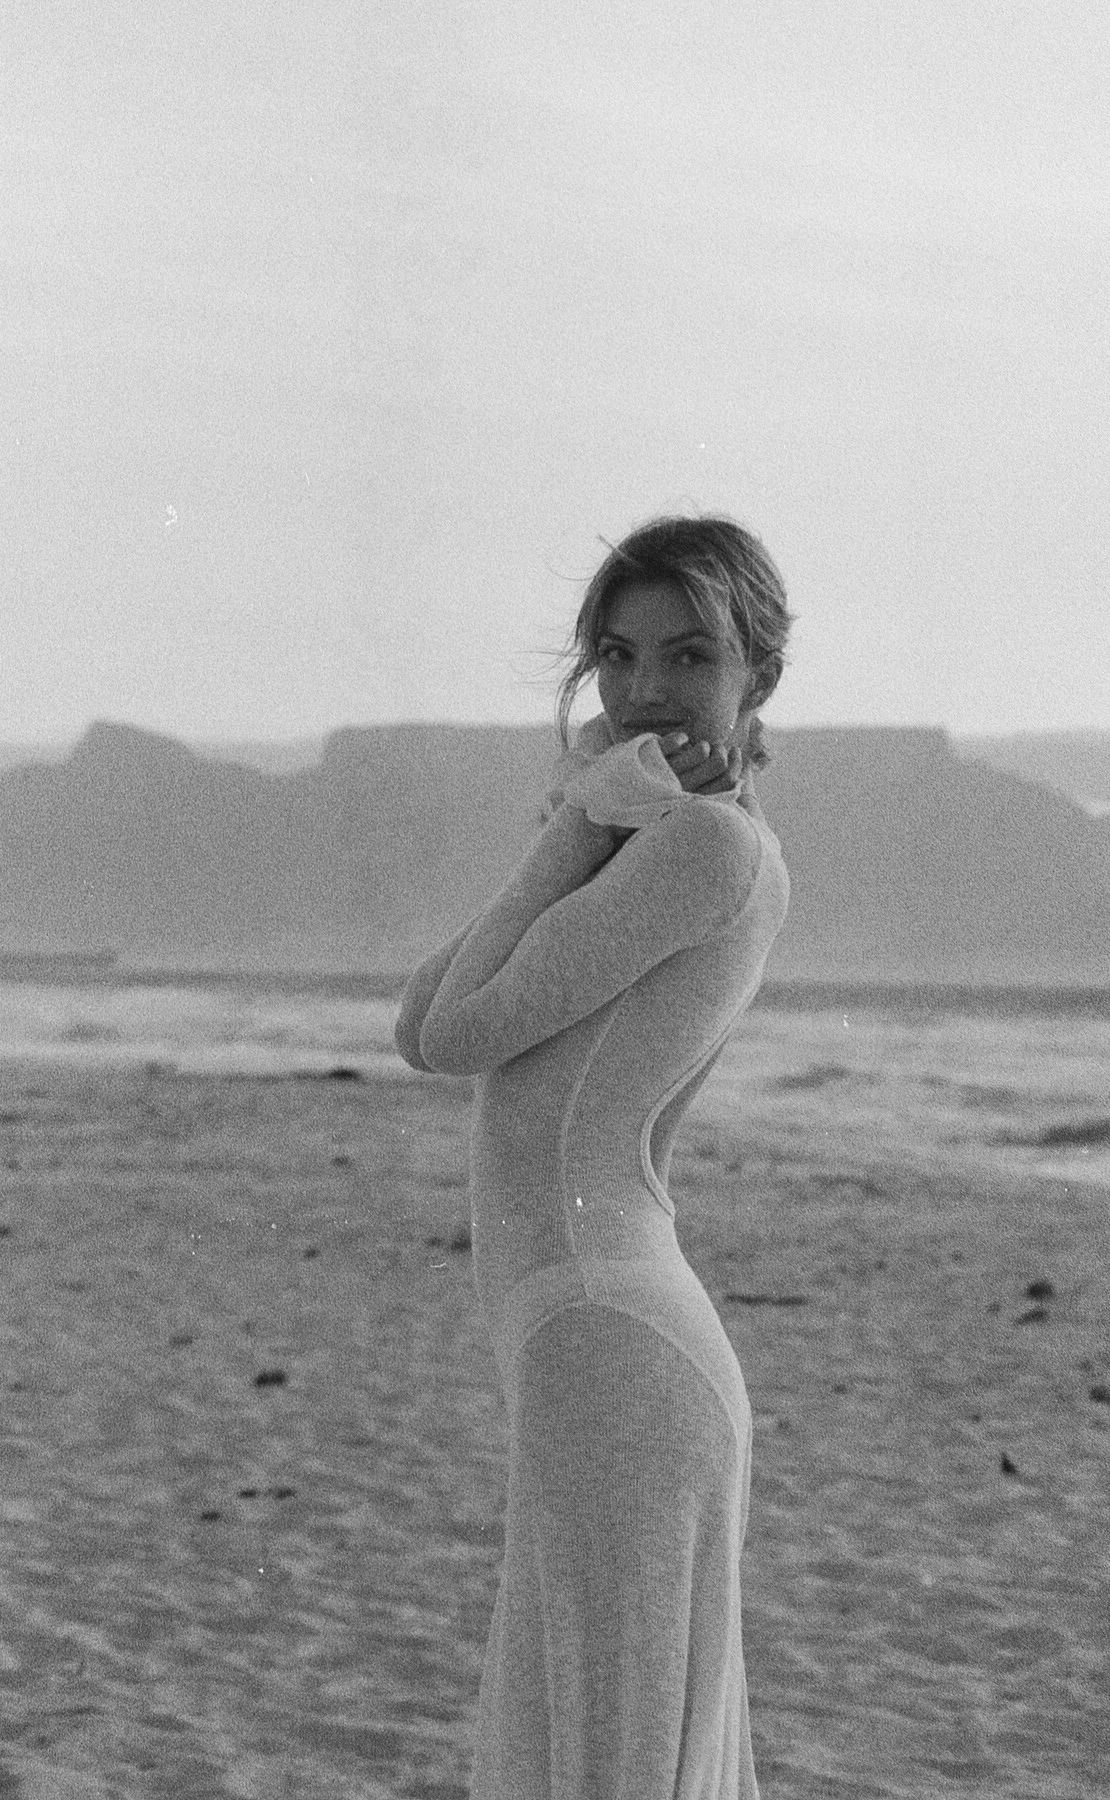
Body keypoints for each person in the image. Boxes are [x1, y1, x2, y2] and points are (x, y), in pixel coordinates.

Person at [395, 515, 793, 1797]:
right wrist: (586, 819)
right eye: (618, 656)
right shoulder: (656, 843)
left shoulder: (704, 848)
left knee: (608, 1762)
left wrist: (575, 821)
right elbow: (422, 1012)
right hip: (590, 1340)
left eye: (690, 656)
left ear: (758, 674)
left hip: (609, 1340)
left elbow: (454, 1035)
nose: (645, 691)